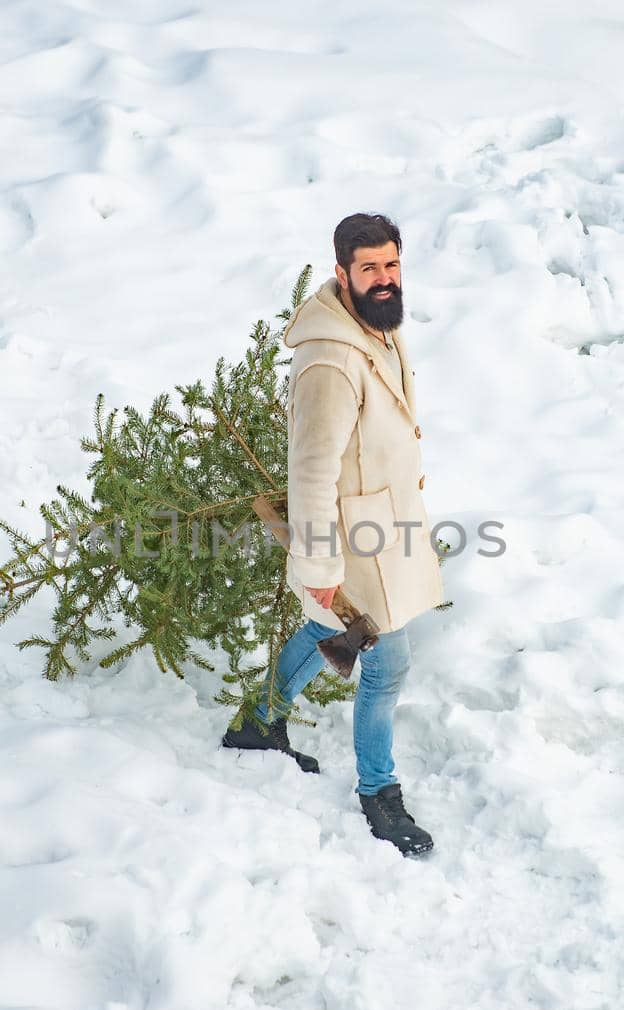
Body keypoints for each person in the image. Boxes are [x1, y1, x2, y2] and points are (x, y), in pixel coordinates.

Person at [222, 213, 443, 857]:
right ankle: (379, 792)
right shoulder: (330, 362)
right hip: (354, 539)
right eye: (369, 268)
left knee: (328, 631)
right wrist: (318, 568)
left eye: (392, 265)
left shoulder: (380, 327)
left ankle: (259, 723)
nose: (384, 279)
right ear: (341, 272)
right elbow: (311, 473)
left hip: (385, 525)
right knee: (386, 662)